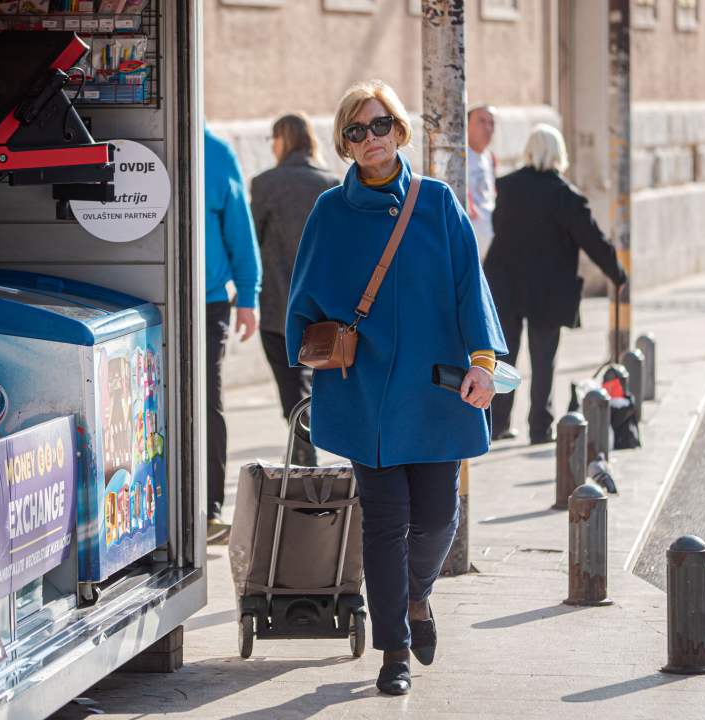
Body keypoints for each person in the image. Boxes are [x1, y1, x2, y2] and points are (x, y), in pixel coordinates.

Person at [285, 80, 506, 696]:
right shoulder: (329, 211)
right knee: (386, 521)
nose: (371, 139)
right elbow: (301, 301)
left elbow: (471, 288)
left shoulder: (436, 203)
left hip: (435, 392)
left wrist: (484, 362)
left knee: (437, 517)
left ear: (399, 130)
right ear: (343, 143)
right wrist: (308, 348)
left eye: (380, 125)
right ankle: (394, 652)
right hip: (364, 395)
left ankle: (416, 597)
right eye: (356, 131)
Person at [484, 124, 627, 445]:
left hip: (504, 284)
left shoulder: (507, 186)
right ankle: (539, 428)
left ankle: (497, 425)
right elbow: (593, 239)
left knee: (502, 358)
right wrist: (617, 274)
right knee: (543, 360)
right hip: (547, 290)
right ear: (559, 153)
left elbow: (498, 227)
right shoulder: (565, 195)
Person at [251, 113, 341, 467]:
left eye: (272, 139)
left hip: (277, 303)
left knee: (290, 381)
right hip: (324, 306)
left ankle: (303, 444)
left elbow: (253, 241)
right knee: (314, 378)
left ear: (282, 139)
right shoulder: (332, 182)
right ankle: (303, 441)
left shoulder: (265, 183)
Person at [204, 126, 263, 545]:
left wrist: (248, 295)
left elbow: (239, 231)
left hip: (207, 303)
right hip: (139, 301)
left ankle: (208, 511)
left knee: (207, 400)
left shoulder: (216, 152)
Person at [467, 105, 498, 259]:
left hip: (490, 243)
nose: (488, 128)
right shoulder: (459, 157)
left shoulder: (490, 157)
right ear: (466, 125)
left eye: (491, 123)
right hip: (469, 245)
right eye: (481, 121)